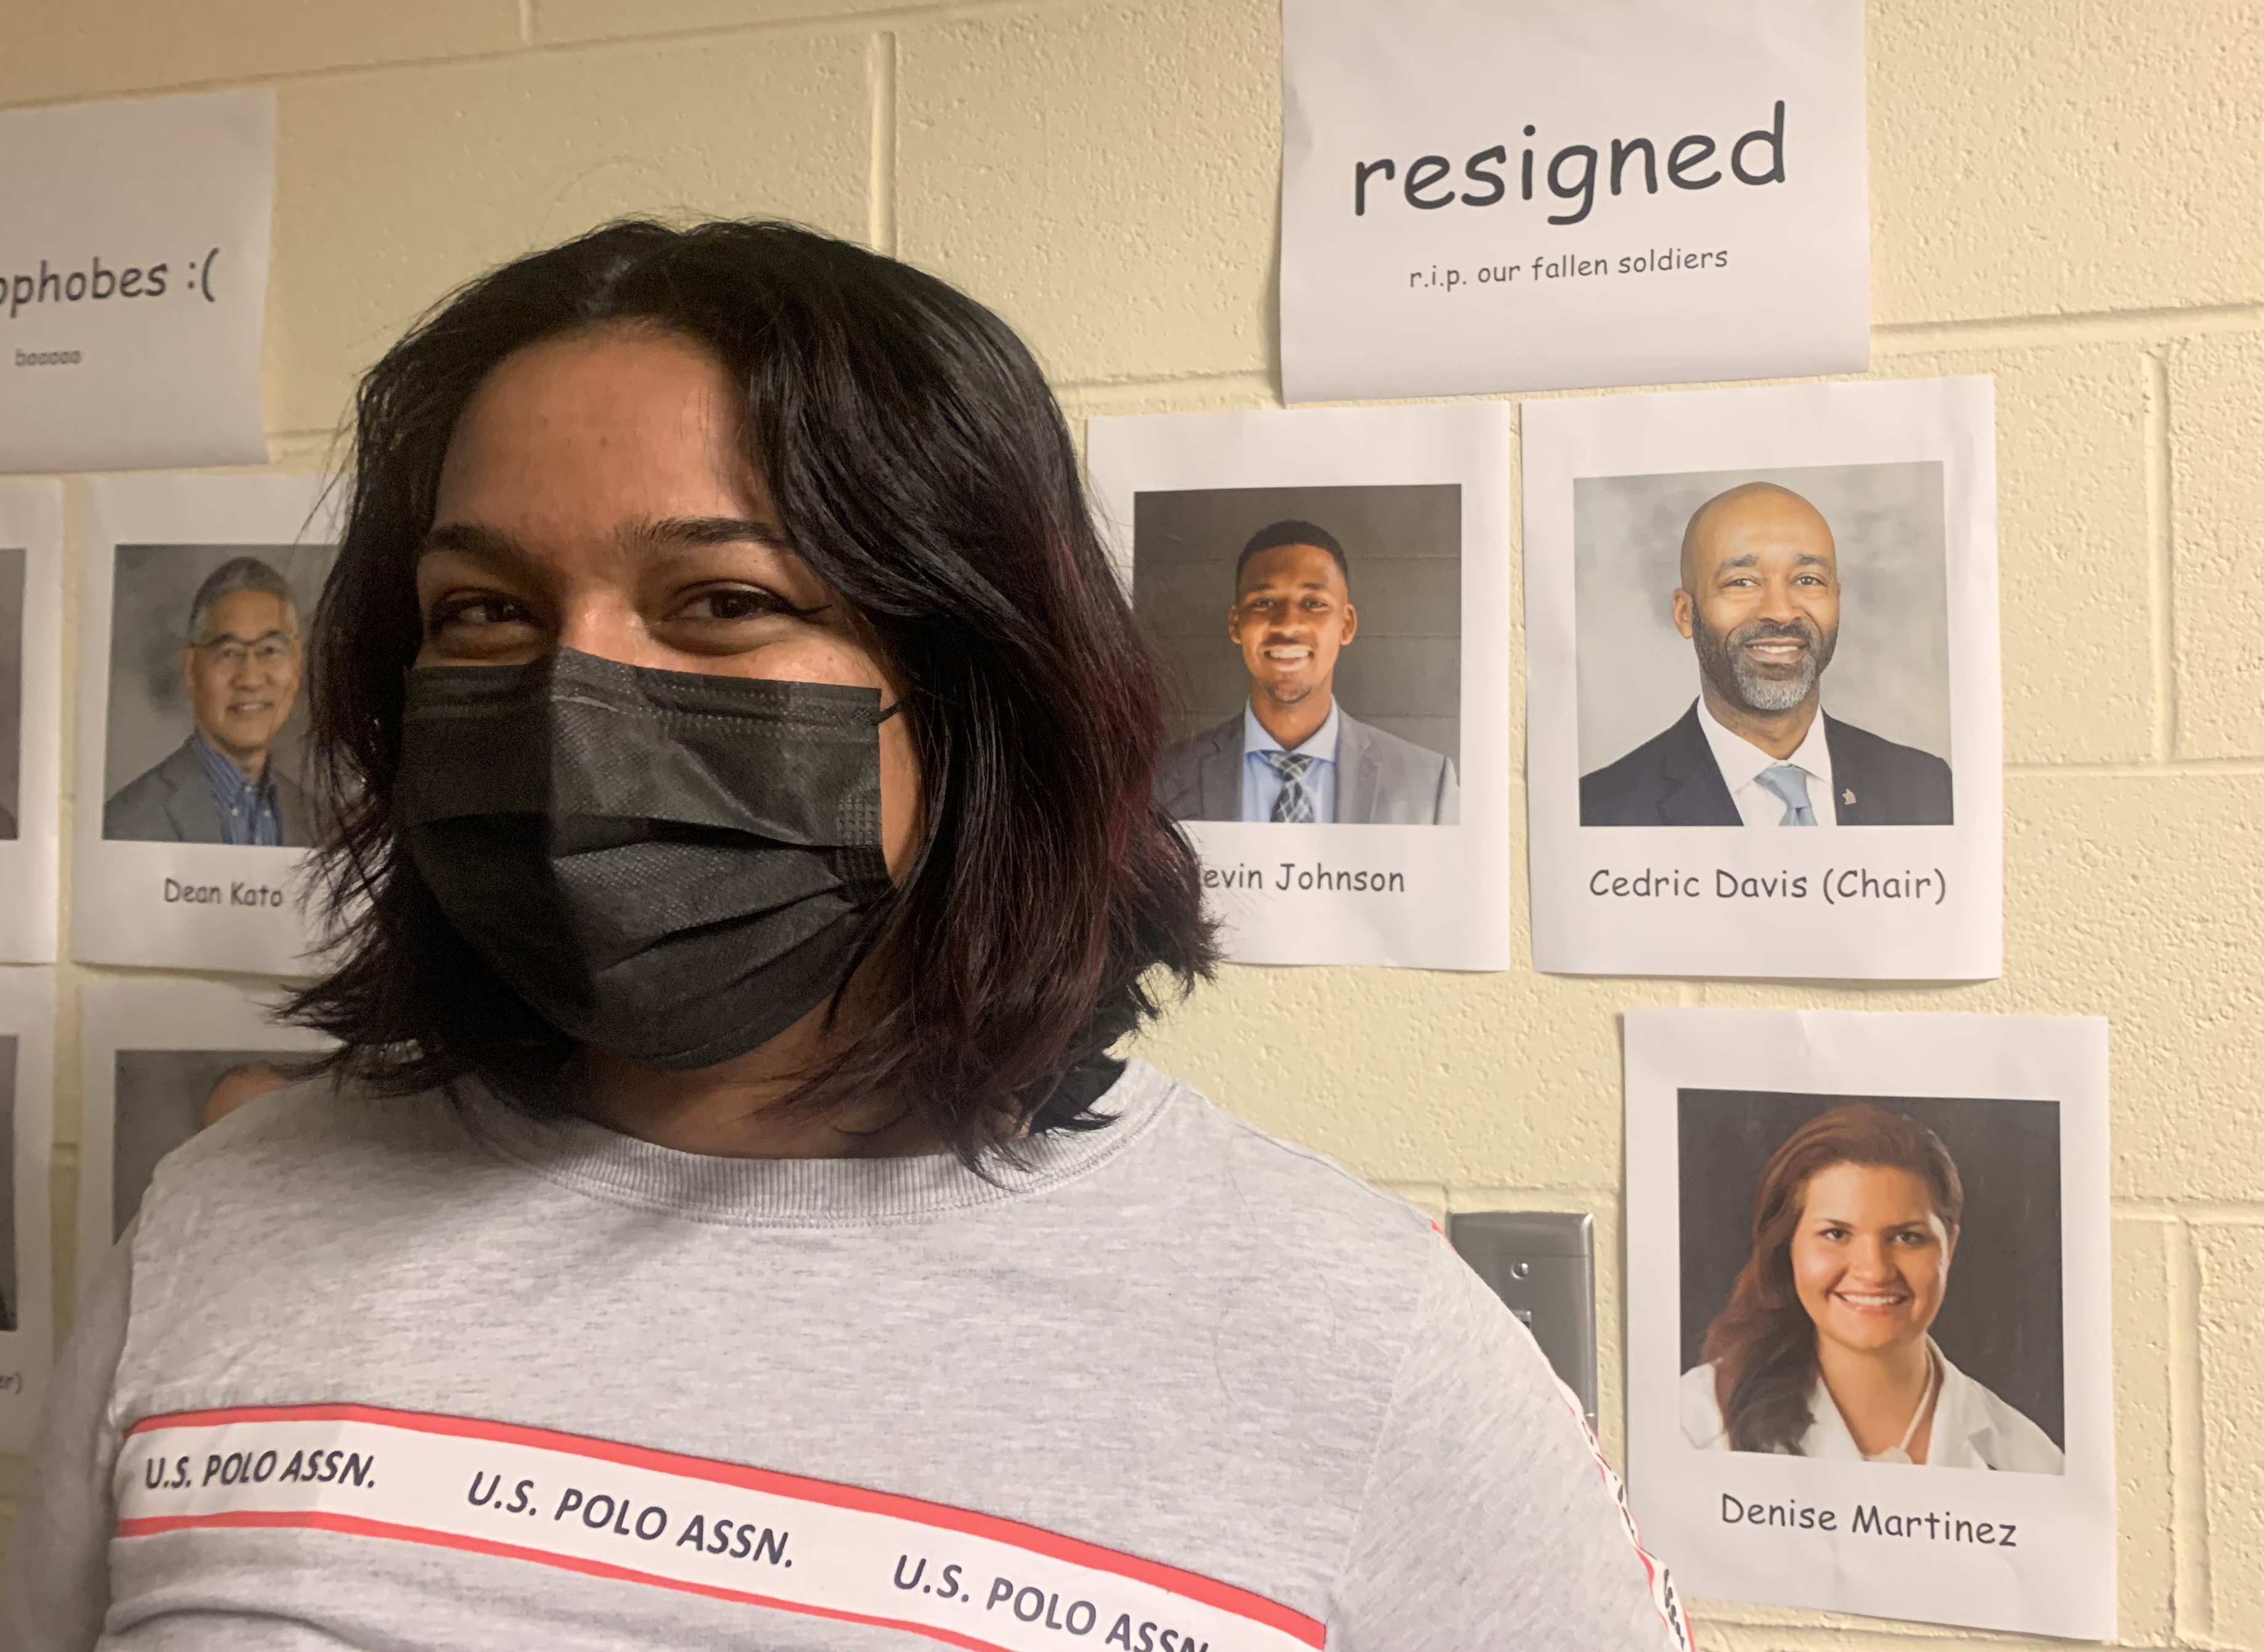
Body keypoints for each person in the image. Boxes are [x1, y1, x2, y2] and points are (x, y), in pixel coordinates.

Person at [5, 220, 1687, 1651]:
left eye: (723, 603)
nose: (572, 696)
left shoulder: (1374, 1355)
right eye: (487, 611)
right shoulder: (228, 1224)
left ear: (976, 687)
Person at [1679, 1103, 2062, 1473]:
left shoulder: (2032, 1463)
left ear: (1951, 1247)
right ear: (1787, 1246)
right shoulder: (1691, 1425)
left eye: (1908, 1238)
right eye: (1836, 1234)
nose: (1875, 1271)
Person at [1578, 482, 1952, 827]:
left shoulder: (1928, 790)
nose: (1781, 611)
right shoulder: (1600, 811)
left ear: (1836, 599)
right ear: (1685, 614)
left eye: (1807, 580)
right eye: (1742, 582)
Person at [1155, 520, 1459, 825]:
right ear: (1236, 624)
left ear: (1347, 624)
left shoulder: (1430, 786)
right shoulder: (1164, 782)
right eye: (1263, 603)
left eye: (1314, 604)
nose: (1287, 625)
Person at [101, 555, 318, 846]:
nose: (251, 678)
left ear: (296, 666)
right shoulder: (126, 823)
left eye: (270, 650)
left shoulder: (324, 826)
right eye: (228, 652)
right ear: (191, 670)